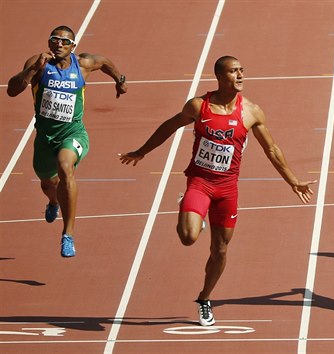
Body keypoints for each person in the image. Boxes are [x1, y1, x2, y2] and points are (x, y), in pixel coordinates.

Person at [119, 56, 316, 326]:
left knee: (220, 250)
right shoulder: (198, 106)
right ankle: (189, 210)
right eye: (234, 71)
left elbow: (271, 149)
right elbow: (169, 126)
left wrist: (293, 181)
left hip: (227, 189)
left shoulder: (251, 111)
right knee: (188, 237)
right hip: (200, 182)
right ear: (221, 77)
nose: (241, 75)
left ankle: (204, 299)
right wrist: (141, 152)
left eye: (242, 70)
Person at [6, 25, 128, 258]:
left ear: (73, 46)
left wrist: (120, 80)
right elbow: (12, 91)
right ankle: (53, 202)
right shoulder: (38, 64)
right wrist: (33, 70)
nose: (59, 44)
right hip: (44, 138)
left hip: (73, 134)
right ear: (49, 42)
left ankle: (68, 235)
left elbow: (104, 62)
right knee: (48, 184)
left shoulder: (82, 64)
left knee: (65, 168)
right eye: (55, 40)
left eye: (65, 41)